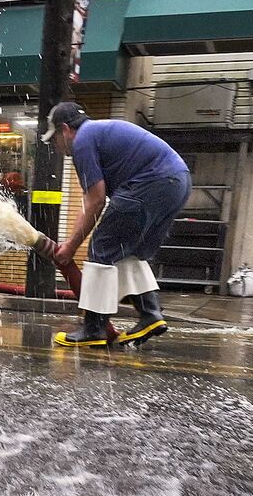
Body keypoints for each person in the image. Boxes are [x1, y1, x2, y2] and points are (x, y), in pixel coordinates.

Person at [40, 102, 192, 347]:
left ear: (66, 129)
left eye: (54, 139)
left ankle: (94, 329)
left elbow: (96, 200)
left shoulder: (83, 141)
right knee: (126, 251)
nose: (56, 147)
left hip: (152, 182)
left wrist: (70, 246)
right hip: (178, 182)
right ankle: (151, 315)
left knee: (101, 248)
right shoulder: (99, 132)